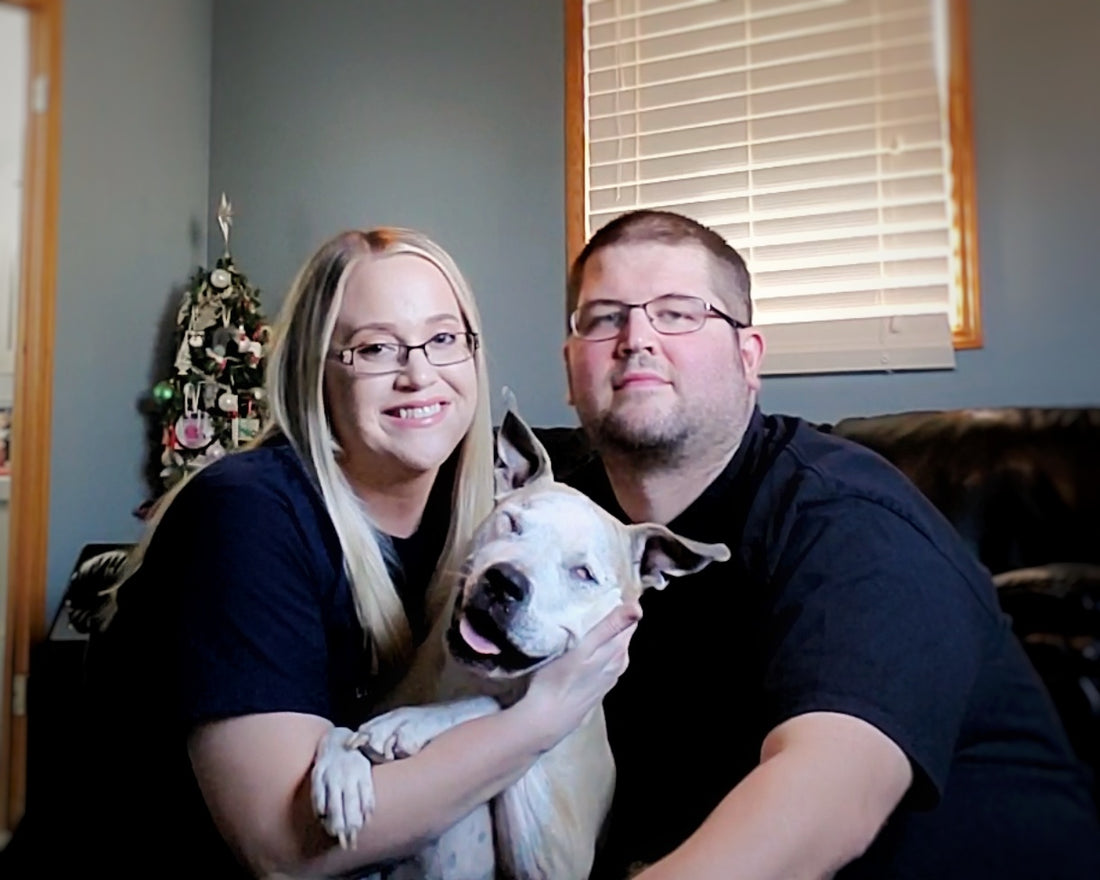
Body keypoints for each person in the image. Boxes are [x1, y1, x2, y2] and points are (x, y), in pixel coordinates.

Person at [9, 227, 638, 878]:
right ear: (315, 370)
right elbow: (283, 847)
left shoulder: (487, 523)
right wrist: (537, 721)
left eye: (444, 339)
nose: (419, 374)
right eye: (374, 348)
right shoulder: (247, 513)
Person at [559, 209, 1100, 879]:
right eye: (604, 317)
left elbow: (826, 796)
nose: (636, 338)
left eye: (679, 312)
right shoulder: (563, 518)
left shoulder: (846, 517)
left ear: (748, 358)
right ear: (570, 364)